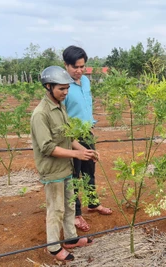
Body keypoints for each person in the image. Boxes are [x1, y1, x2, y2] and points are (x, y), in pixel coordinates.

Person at [31, 66, 97, 261]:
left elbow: (68, 136)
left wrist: (83, 150)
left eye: (67, 88)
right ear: (48, 87)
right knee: (56, 209)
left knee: (69, 205)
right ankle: (53, 247)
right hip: (52, 171)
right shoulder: (40, 114)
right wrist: (76, 155)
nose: (66, 92)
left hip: (66, 166)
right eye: (61, 89)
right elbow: (47, 147)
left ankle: (71, 238)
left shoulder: (61, 106)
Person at [62, 45, 112, 233]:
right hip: (71, 137)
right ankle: (75, 214)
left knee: (90, 170)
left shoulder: (85, 82)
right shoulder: (63, 86)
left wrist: (90, 125)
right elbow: (62, 116)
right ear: (66, 65)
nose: (79, 70)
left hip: (86, 133)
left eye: (82, 66)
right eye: (75, 66)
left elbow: (86, 106)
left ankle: (93, 203)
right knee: (74, 175)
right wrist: (74, 142)